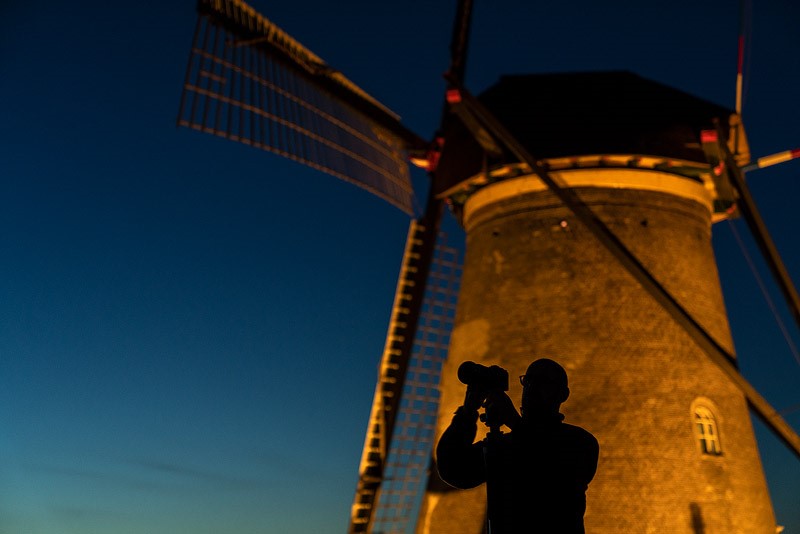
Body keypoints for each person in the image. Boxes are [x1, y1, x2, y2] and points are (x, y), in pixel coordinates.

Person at [436, 358, 599, 533]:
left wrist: (514, 422)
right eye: (528, 381)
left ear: (563, 394)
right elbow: (453, 469)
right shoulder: (504, 446)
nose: (532, 387)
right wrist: (468, 412)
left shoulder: (579, 442)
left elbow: (553, 470)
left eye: (543, 381)